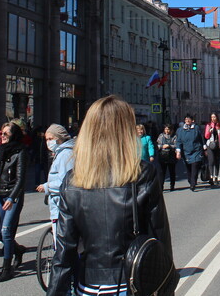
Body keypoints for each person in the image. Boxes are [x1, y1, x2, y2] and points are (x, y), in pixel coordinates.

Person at [47, 96, 174, 296]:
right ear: (125, 132)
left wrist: (55, 291)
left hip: (87, 285)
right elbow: (159, 237)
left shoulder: (73, 180)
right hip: (130, 283)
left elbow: (63, 250)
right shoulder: (141, 174)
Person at [0, 122, 29, 281]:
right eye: (2, 133)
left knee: (6, 231)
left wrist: (13, 197)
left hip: (12, 196)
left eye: (6, 134)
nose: (3, 136)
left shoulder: (20, 151)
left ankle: (6, 269)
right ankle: (18, 249)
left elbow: (20, 179)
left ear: (14, 135)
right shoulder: (0, 150)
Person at [36, 124, 75, 240]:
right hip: (58, 204)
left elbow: (66, 183)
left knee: (62, 243)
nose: (48, 142)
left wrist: (47, 187)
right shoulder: (61, 153)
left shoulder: (65, 154)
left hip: (62, 206)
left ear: (59, 138)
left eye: (50, 139)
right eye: (46, 139)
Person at [176, 114, 204, 191]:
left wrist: (204, 148)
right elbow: (178, 141)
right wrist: (178, 151)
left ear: (192, 120)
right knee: (188, 168)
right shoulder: (180, 130)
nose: (187, 121)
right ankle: (190, 180)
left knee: (195, 166)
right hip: (186, 152)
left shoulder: (196, 128)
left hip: (196, 150)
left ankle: (193, 183)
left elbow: (201, 138)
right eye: (186, 119)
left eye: (189, 119)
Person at [204, 113, 220, 187]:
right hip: (210, 145)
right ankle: (211, 177)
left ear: (217, 117)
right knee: (211, 161)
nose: (213, 118)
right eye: (212, 117)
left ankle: (216, 177)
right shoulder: (208, 125)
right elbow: (206, 136)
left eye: (214, 117)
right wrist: (209, 131)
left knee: (217, 161)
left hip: (218, 145)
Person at [157, 124, 178, 191]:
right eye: (166, 129)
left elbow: (176, 145)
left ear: (171, 130)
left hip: (171, 155)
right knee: (162, 172)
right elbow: (157, 144)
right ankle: (161, 186)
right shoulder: (161, 136)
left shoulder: (174, 136)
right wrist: (161, 146)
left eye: (168, 129)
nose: (167, 131)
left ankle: (172, 185)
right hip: (163, 156)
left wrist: (169, 146)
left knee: (172, 172)